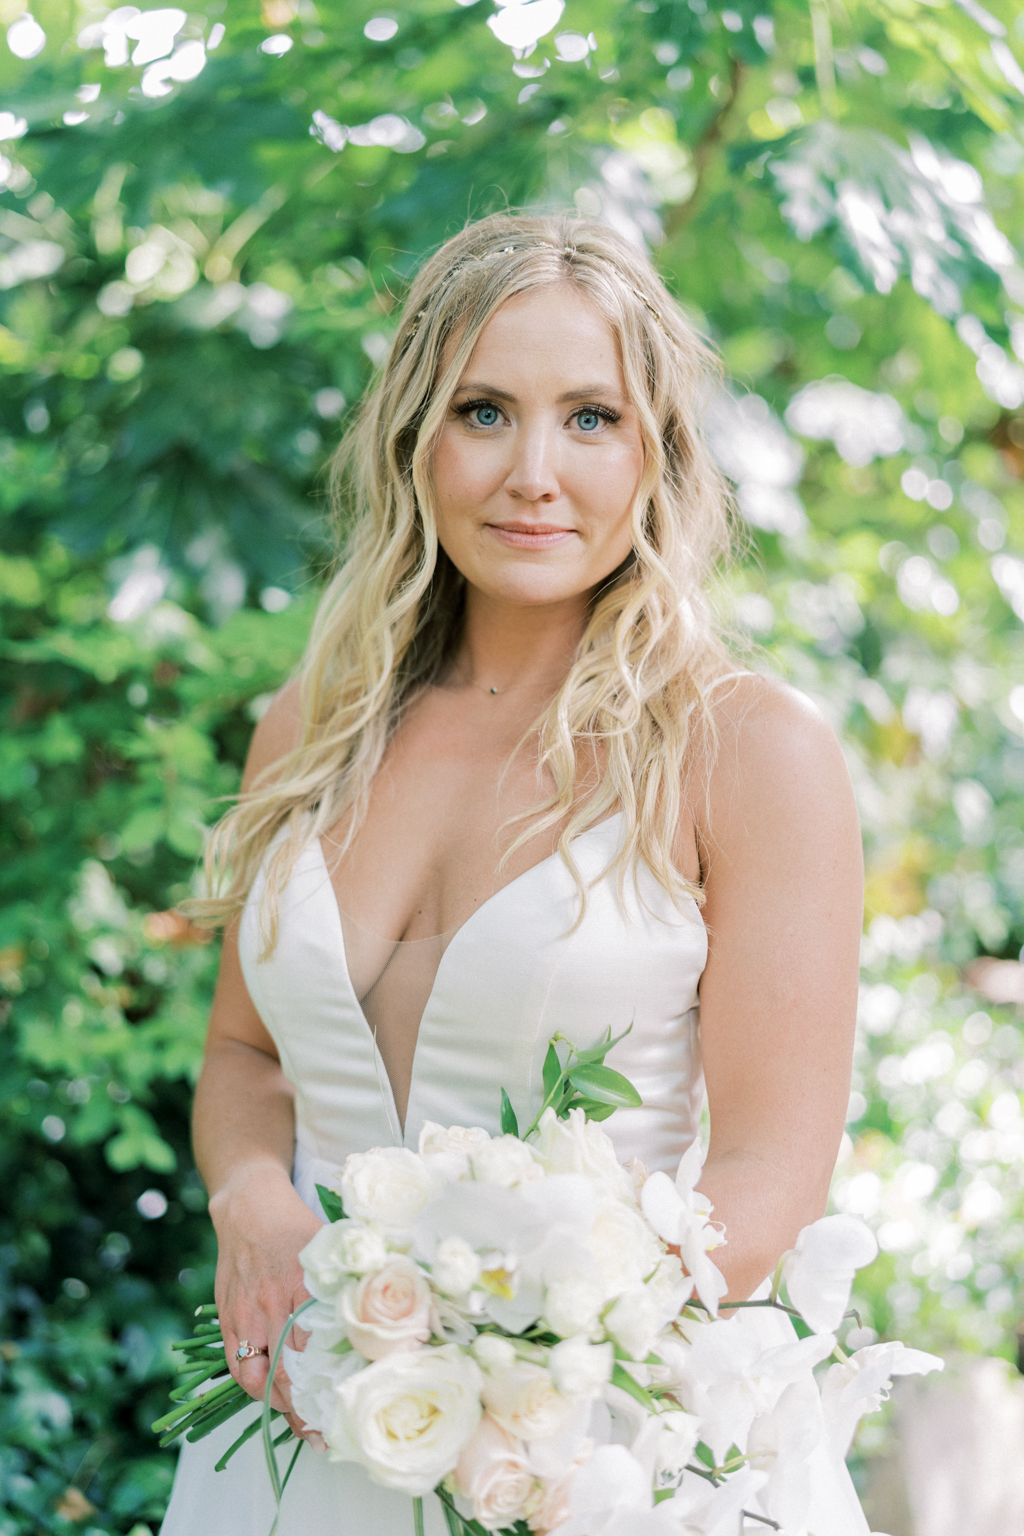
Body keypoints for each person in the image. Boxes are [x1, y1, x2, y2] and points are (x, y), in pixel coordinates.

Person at [160, 213, 863, 1534]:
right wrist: (252, 1200)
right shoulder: (312, 727)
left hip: (599, 1450)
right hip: (299, 1436)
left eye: (589, 418)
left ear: (658, 451)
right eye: (485, 410)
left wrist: (526, 1371)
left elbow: (766, 1177)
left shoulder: (745, 750)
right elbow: (248, 1058)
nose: (534, 472)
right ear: (413, 439)